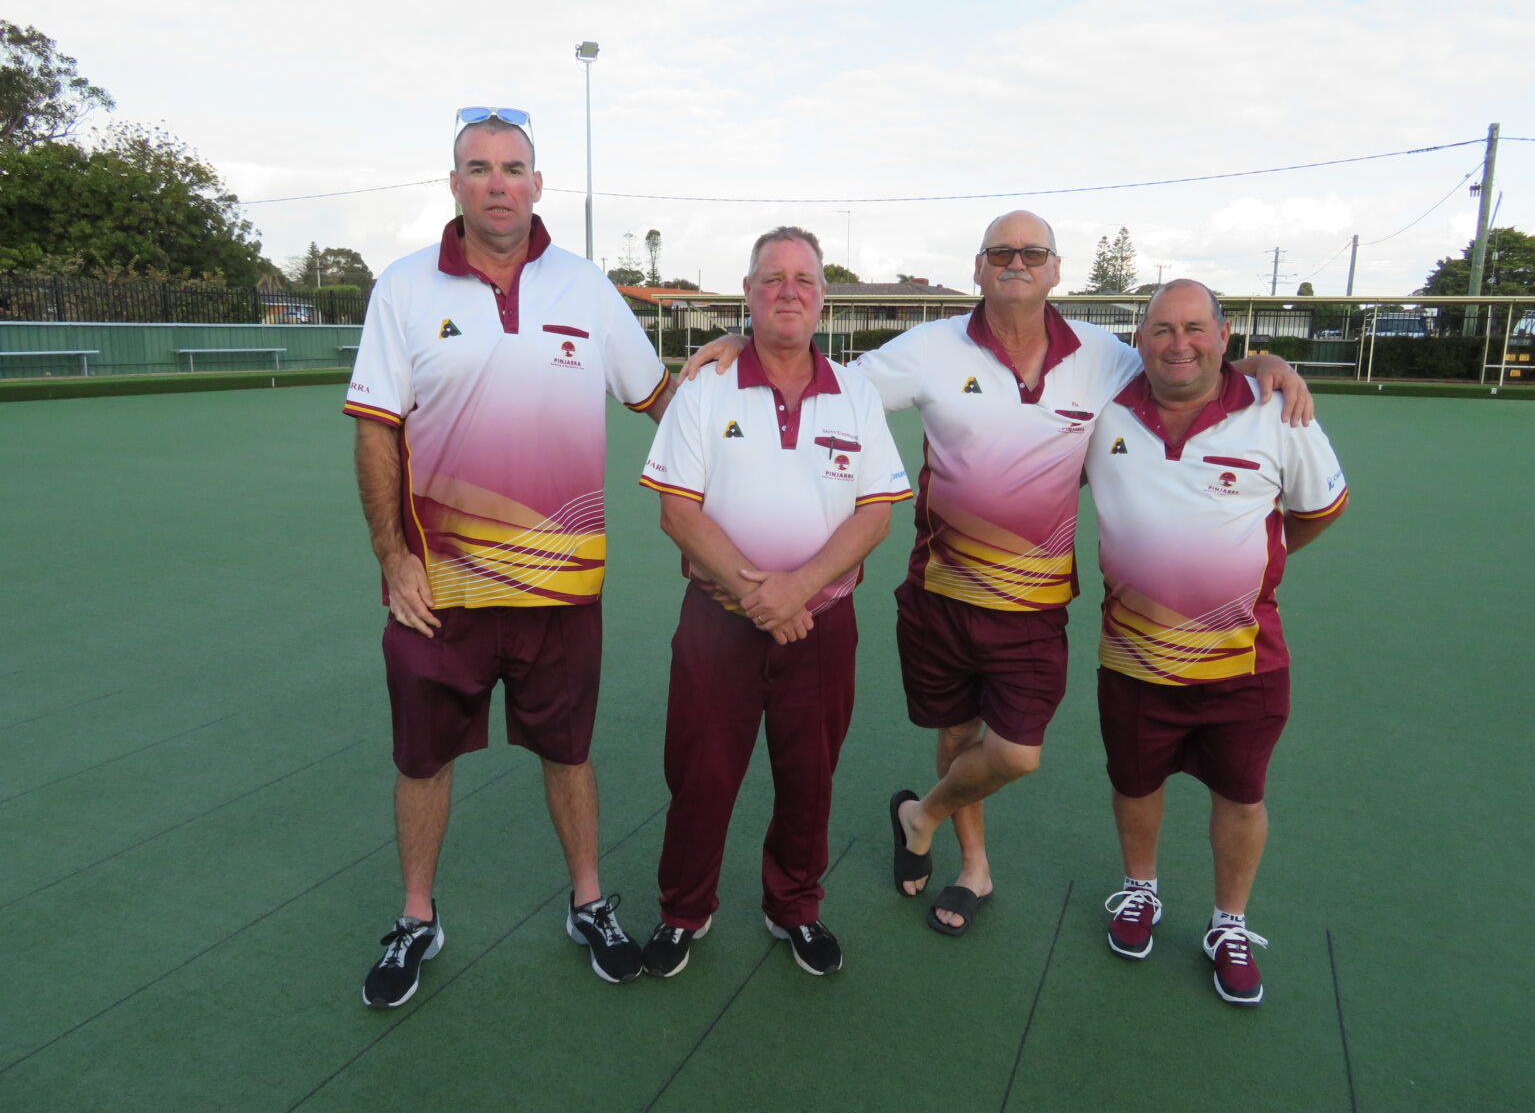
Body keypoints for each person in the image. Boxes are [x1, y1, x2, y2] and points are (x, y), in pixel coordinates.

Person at [685, 212, 1311, 936]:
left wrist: (1268, 366)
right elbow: (832, 383)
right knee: (956, 733)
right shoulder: (930, 347)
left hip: (1036, 603)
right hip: (940, 593)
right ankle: (971, 866)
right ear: (978, 268)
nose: (1017, 262)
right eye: (1001, 252)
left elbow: (1193, 362)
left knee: (1016, 751)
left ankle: (921, 814)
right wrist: (746, 339)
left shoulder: (1110, 356)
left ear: (1055, 270)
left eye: (1033, 252)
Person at [346, 107, 676, 1007]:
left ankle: (588, 902)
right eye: (479, 167)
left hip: (560, 589)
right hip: (436, 588)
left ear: (538, 185)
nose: (498, 182)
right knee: (423, 759)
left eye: (514, 168)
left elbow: (659, 400)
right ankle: (417, 916)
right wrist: (392, 552)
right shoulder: (404, 289)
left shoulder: (588, 288)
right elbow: (377, 433)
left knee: (567, 751)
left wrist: (739, 371)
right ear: (453, 184)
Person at [638, 227, 911, 977]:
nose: (788, 291)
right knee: (700, 774)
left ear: (822, 298)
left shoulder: (854, 393)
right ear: (749, 295)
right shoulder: (705, 386)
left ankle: (794, 905)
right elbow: (678, 512)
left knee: (809, 777)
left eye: (804, 280)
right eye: (772, 279)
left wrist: (795, 591)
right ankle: (682, 910)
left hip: (821, 627)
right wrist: (762, 596)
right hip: (716, 626)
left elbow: (876, 513)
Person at [1086, 279, 1347, 1006]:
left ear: (1225, 336)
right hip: (1132, 653)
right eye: (1162, 328)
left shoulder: (1276, 412)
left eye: (1195, 328)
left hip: (1245, 658)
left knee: (1241, 793)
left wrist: (1266, 557)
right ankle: (1140, 890)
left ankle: (1228, 923)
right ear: (1139, 338)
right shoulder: (1103, 405)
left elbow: (1319, 508)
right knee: (1134, 782)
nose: (1179, 343)